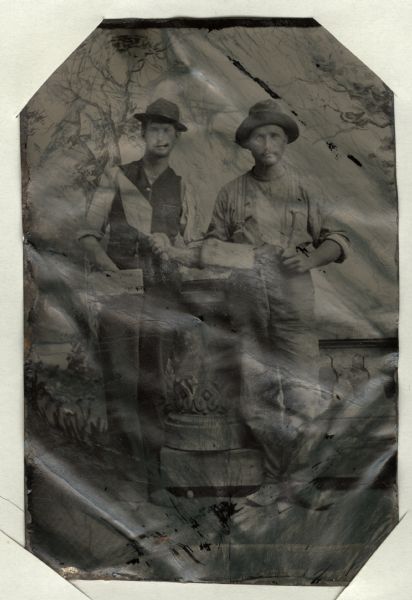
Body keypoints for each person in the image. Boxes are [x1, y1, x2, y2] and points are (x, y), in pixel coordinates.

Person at [202, 99, 350, 508]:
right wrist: (226, 255)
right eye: (259, 136)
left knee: (304, 397)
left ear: (285, 141)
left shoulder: (304, 189)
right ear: (247, 142)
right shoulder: (231, 194)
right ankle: (271, 480)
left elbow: (338, 240)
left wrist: (307, 259)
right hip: (247, 310)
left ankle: (300, 480)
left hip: (294, 310)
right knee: (259, 398)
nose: (267, 143)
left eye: (275, 135)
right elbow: (212, 246)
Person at [79, 98, 200, 495]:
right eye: (154, 129)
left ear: (176, 138)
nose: (161, 136)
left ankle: (154, 477)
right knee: (118, 380)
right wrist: (108, 267)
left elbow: (188, 244)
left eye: (168, 130)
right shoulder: (117, 177)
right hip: (119, 291)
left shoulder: (183, 185)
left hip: (162, 294)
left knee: (153, 384)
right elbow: (87, 235)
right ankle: (123, 478)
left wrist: (175, 250)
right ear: (143, 134)